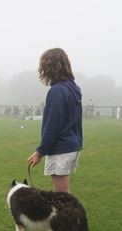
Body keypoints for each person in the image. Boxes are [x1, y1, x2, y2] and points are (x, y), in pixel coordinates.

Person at [27, 48, 82, 194]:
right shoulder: (73, 88)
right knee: (65, 196)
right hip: (72, 144)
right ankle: (72, 217)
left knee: (61, 198)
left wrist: (40, 152)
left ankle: (70, 218)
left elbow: (52, 126)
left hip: (62, 146)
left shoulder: (57, 91)